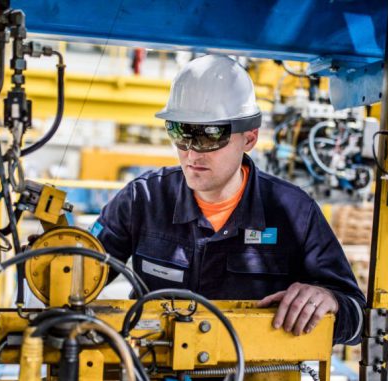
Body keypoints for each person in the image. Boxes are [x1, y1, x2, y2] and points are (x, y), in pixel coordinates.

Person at [92, 55, 365, 344]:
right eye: (180, 132)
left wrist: (329, 299)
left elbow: (358, 320)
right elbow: (79, 274)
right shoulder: (143, 200)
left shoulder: (293, 213)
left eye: (211, 137)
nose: (192, 153)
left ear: (249, 138)